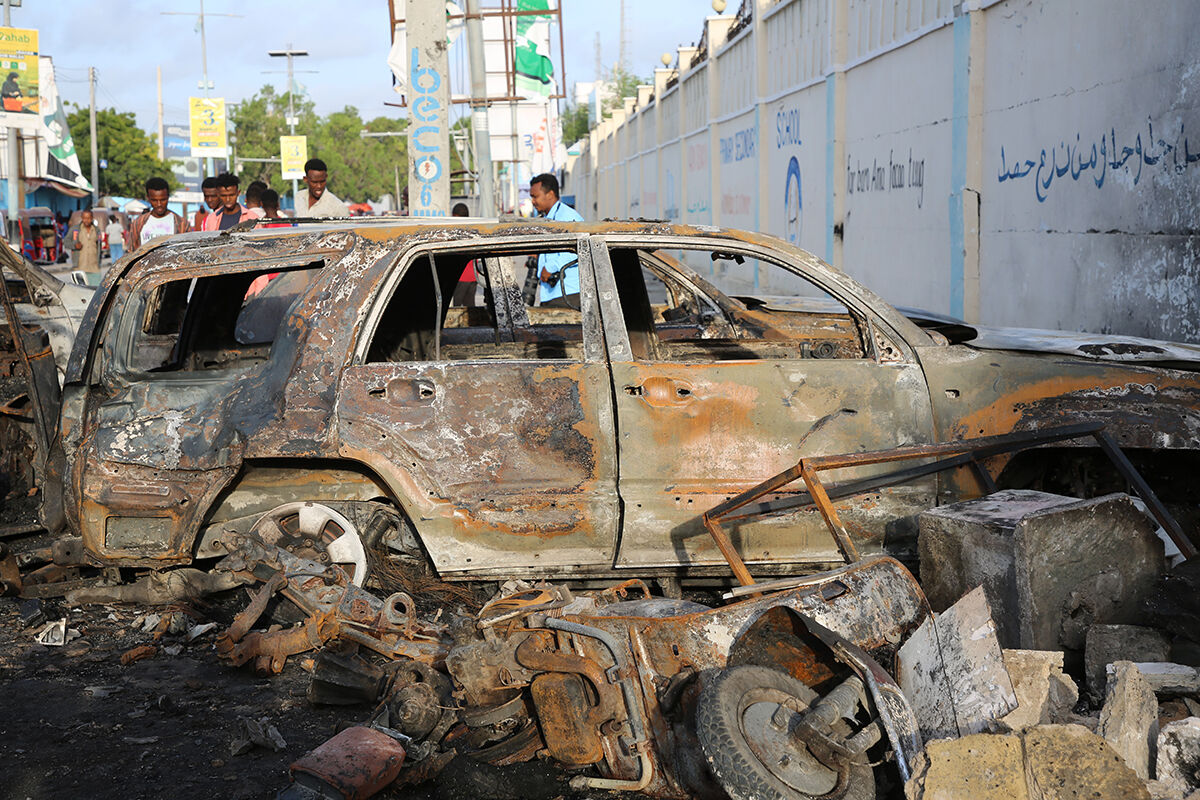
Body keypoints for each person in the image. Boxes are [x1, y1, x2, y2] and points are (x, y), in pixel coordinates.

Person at [529, 173, 583, 307]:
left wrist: (550, 267)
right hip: (552, 293)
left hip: (567, 294)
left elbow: (578, 249)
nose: (533, 201)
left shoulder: (567, 216)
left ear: (550, 194)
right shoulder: (548, 218)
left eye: (535, 196)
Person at [129, 177, 187, 250]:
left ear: (168, 197)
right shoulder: (138, 223)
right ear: (148, 198)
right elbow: (131, 251)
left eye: (163, 200)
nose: (159, 204)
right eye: (154, 200)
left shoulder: (182, 224)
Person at [450, 203, 477, 307]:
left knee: (457, 308)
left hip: (461, 276)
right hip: (473, 277)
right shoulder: (473, 230)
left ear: (455, 216)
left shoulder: (457, 232)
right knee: (470, 308)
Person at [72, 209, 100, 281]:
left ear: (92, 218)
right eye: (84, 218)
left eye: (88, 218)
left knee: (95, 286)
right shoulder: (76, 229)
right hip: (80, 266)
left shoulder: (96, 230)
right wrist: (74, 245)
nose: (86, 220)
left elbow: (99, 246)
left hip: (94, 266)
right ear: (81, 218)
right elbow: (66, 241)